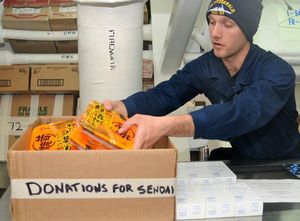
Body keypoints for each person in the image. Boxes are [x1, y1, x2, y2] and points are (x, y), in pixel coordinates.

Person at [104, 0, 300, 160]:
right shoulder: (205, 66)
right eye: (212, 22)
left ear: (247, 30)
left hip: (287, 164)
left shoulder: (277, 71)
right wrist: (123, 107)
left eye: (227, 24)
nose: (215, 33)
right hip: (243, 162)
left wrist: (166, 126)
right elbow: (165, 95)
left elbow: (242, 113)